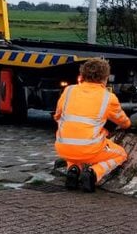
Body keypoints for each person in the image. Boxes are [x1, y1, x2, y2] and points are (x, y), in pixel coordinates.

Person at [55, 58, 131, 192]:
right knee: (121, 154)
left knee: (75, 151)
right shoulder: (108, 97)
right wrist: (128, 125)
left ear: (82, 75)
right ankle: (93, 173)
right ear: (105, 78)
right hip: (90, 148)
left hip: (63, 147)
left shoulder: (69, 91)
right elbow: (122, 120)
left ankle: (73, 169)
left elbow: (57, 115)